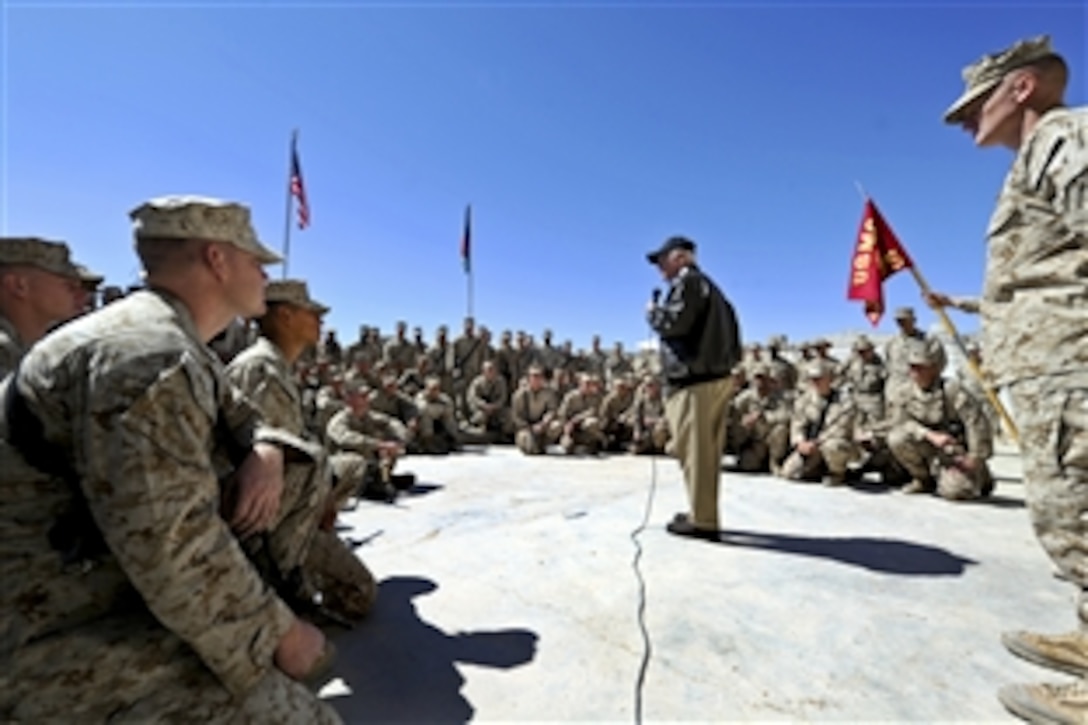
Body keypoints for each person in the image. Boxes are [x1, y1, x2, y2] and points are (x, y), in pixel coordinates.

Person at [0, 196, 340, 722]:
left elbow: (249, 420)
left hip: (95, 580)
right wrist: (277, 633)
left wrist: (266, 452)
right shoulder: (146, 357)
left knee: (302, 468)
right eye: (256, 262)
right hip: (41, 622)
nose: (264, 277)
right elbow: (172, 544)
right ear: (217, 260)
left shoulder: (176, 343)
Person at [937, 35, 1088, 721]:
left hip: (1073, 370)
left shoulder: (1063, 136)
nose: (967, 121)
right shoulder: (1037, 156)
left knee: (1072, 518)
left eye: (975, 106)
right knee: (1071, 512)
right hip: (1050, 369)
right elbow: (1043, 275)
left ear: (1020, 88)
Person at [646, 235, 742, 540]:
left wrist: (653, 314)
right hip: (713, 379)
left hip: (694, 383)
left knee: (695, 453)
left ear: (680, 257)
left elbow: (676, 323)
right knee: (706, 453)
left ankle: (702, 521)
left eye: (663, 260)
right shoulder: (711, 289)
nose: (660, 267)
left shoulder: (688, 284)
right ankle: (702, 512)